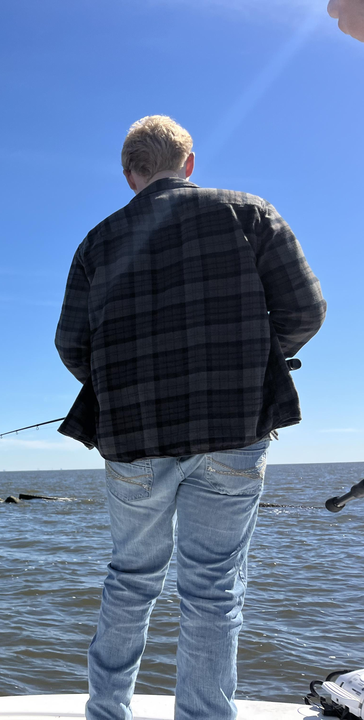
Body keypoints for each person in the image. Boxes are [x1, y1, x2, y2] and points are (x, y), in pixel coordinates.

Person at [55, 116, 326, 720]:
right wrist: (251, 360)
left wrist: (125, 387)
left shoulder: (96, 243)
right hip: (233, 432)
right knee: (211, 591)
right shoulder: (249, 213)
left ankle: (107, 713)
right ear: (190, 162)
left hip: (133, 442)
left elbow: (72, 346)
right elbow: (307, 310)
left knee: (130, 580)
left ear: (131, 174)